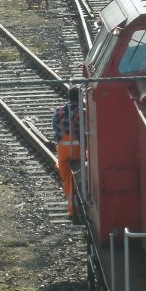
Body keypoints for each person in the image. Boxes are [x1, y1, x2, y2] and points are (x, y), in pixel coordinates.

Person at [53, 86, 82, 219]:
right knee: (78, 178)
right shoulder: (82, 112)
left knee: (66, 179)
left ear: (68, 97)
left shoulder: (58, 111)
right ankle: (76, 209)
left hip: (62, 150)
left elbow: (55, 129)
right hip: (78, 150)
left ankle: (71, 210)